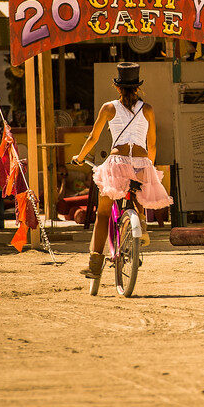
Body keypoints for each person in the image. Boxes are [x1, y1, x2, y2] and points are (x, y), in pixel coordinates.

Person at [71, 63, 172, 279]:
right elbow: (152, 145)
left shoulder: (109, 108)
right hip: (141, 163)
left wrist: (79, 158)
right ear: (137, 87)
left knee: (103, 214)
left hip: (117, 163)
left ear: (117, 87)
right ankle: (141, 228)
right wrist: (149, 168)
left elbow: (93, 138)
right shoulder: (148, 109)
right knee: (138, 198)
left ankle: (95, 265)